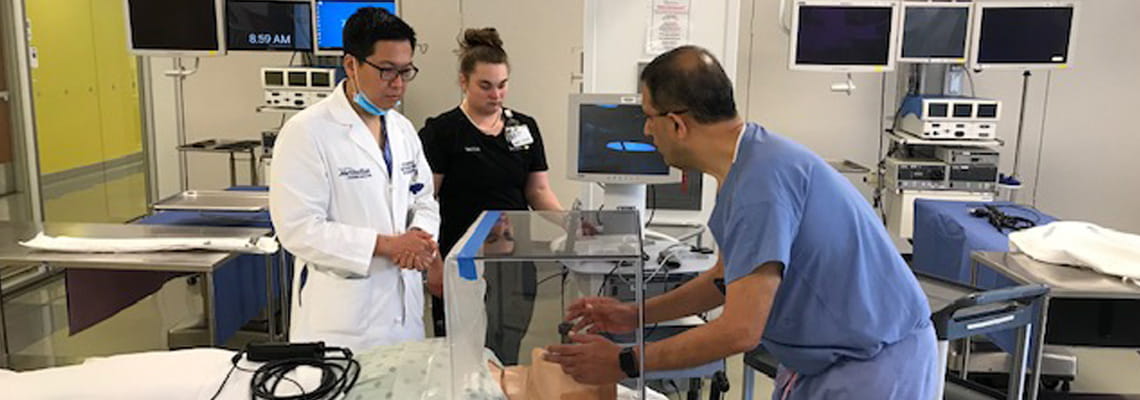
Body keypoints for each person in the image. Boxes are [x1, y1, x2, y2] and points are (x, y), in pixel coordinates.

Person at [545, 46, 939, 399]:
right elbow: (724, 280)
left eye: (649, 117)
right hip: (835, 357)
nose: (646, 131)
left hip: (873, 365)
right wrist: (635, 314)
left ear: (678, 124)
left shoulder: (760, 184)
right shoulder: (750, 160)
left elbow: (739, 330)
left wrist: (624, 362)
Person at [269, 7, 440, 351]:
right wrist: (388, 245)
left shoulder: (403, 130)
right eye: (387, 71)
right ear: (350, 65)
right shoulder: (307, 132)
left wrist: (420, 239)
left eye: (406, 71)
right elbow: (298, 229)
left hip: (403, 311)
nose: (398, 84)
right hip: (341, 321)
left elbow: (423, 197)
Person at [418, 28, 563, 363]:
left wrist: (572, 226)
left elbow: (538, 190)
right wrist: (435, 264)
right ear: (463, 81)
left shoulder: (523, 128)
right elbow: (426, 201)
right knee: (462, 350)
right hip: (462, 258)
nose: (496, 94)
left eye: (502, 84)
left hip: (514, 257)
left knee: (507, 345)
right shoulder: (442, 132)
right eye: (486, 85)